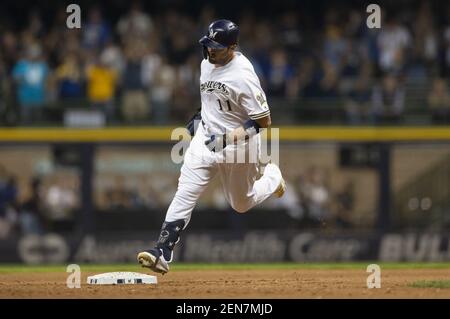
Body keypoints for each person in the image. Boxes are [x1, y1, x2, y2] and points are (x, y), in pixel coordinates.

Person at [137, 19, 286, 274]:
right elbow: (209, 103)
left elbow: (264, 122)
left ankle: (272, 177)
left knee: (241, 203)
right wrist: (194, 124)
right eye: (208, 45)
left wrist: (228, 139)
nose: (211, 50)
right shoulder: (206, 63)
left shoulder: (243, 75)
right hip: (205, 141)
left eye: (217, 46)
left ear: (233, 47)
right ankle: (162, 251)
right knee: (185, 190)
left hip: (240, 145)